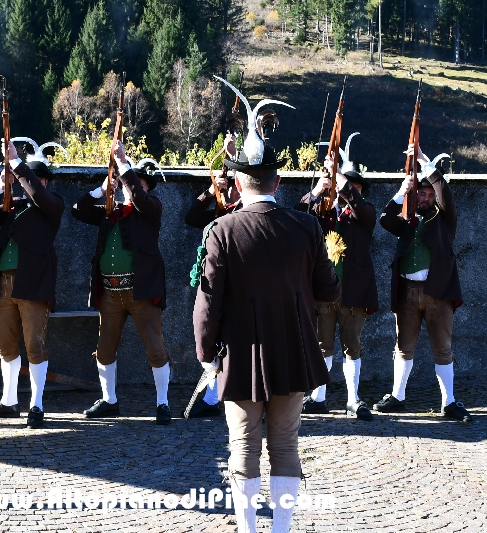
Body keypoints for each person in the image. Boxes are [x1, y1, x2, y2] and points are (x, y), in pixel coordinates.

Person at [193, 140, 340, 533]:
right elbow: (329, 291)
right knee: (286, 446)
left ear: (239, 184)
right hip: (293, 352)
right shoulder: (308, 227)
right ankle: (280, 530)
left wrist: (206, 353)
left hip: (240, 356)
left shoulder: (221, 230)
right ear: (277, 183)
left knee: (243, 446)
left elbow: (208, 301)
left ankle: (248, 530)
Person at [71, 141, 172, 425]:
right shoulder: (110, 210)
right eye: (129, 183)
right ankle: (109, 400)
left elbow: (138, 198)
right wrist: (103, 189)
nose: (129, 188)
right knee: (104, 349)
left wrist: (124, 164)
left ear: (145, 187)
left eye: (136, 184)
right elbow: (78, 209)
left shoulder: (151, 207)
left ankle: (162, 403)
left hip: (141, 292)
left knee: (155, 348)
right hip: (111, 292)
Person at [373, 145, 471, 423]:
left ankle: (449, 402)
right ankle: (397, 396)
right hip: (407, 292)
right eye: (422, 193)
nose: (427, 197)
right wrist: (403, 190)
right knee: (403, 346)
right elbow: (384, 220)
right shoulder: (407, 218)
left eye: (430, 194)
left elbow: (445, 195)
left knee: (443, 347)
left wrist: (426, 165)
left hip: (437, 292)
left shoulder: (445, 219)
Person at [0, 139, 65, 429]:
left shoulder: (51, 204)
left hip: (34, 282)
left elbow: (38, 195)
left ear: (43, 181)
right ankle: (9, 401)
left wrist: (16, 163)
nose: (28, 181)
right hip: (5, 280)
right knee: (6, 345)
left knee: (34, 345)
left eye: (35, 177)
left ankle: (37, 404)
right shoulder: (11, 203)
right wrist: (2, 185)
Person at [297, 134, 379, 421]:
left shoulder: (364, 212)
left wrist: (342, 182)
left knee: (352, 346)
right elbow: (298, 217)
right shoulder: (322, 212)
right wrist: (320, 189)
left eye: (354, 189)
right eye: (344, 188)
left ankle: (352, 399)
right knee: (322, 345)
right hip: (324, 291)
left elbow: (363, 210)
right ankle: (318, 397)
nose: (347, 193)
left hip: (354, 291)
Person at [183, 134, 243, 418]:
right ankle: (211, 396)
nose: (230, 192)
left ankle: (225, 394)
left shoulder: (245, 212)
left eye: (233, 186)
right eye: (227, 187)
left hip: (240, 285)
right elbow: (191, 216)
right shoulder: (219, 213)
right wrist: (210, 191)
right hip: (215, 284)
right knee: (210, 339)